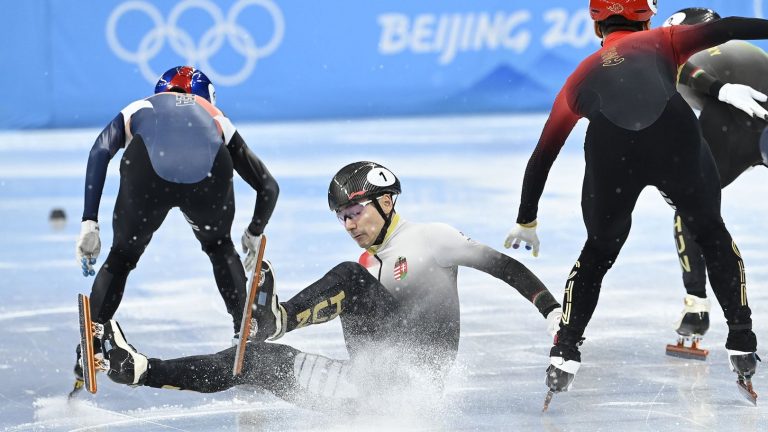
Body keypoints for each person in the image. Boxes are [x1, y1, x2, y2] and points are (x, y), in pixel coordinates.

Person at [98, 161, 562, 410]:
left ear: (385, 202)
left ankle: (276, 319)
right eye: (342, 217)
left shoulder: (430, 237)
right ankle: (141, 369)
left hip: (416, 382)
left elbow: (504, 267)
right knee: (254, 359)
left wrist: (553, 314)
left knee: (348, 276)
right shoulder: (368, 263)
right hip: (367, 391)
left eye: (355, 212)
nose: (349, 224)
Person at [502, 0, 763, 401]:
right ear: (646, 17)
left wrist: (527, 219)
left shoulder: (579, 77)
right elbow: (727, 27)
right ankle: (742, 339)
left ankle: (565, 351)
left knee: (598, 251)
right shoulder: (664, 39)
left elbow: (544, 152)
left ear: (596, 27)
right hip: (673, 140)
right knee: (710, 232)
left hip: (612, 154)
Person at [73, 66, 279, 386]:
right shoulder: (215, 116)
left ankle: (93, 336)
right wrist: (254, 231)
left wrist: (90, 222)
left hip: (146, 176)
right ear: (205, 97)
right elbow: (268, 187)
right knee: (220, 248)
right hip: (208, 178)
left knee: (122, 257)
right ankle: (246, 329)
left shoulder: (141, 106)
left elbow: (100, 151)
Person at [660, 8, 768, 357]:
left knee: (689, 206)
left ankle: (696, 305)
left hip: (730, 123)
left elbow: (682, 71)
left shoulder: (675, 55)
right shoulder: (741, 46)